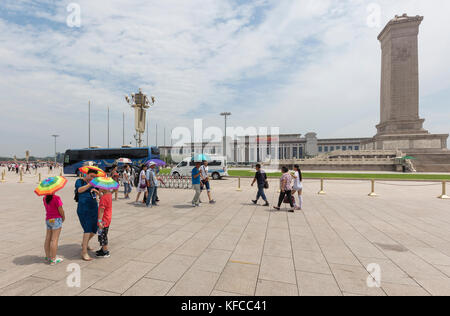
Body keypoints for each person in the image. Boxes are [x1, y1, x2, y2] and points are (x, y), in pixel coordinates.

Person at [75, 169, 100, 261]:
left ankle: (84, 243)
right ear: (87, 174)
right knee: (87, 229)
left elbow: (99, 195)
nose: (93, 178)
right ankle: (84, 252)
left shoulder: (95, 184)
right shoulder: (80, 181)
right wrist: (90, 185)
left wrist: (98, 192)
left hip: (94, 207)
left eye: (95, 177)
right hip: (83, 208)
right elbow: (79, 190)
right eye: (91, 176)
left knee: (94, 229)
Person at [43, 193, 66, 265]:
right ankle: (53, 259)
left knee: (48, 238)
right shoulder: (57, 198)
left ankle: (48, 257)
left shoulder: (44, 198)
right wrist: (63, 217)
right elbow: (61, 209)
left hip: (48, 219)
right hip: (56, 219)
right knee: (54, 239)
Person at [96, 188, 113, 258]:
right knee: (103, 234)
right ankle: (103, 249)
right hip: (107, 218)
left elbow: (101, 210)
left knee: (102, 236)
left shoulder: (104, 197)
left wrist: (99, 221)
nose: (99, 188)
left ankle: (105, 252)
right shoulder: (109, 195)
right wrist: (99, 193)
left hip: (103, 220)